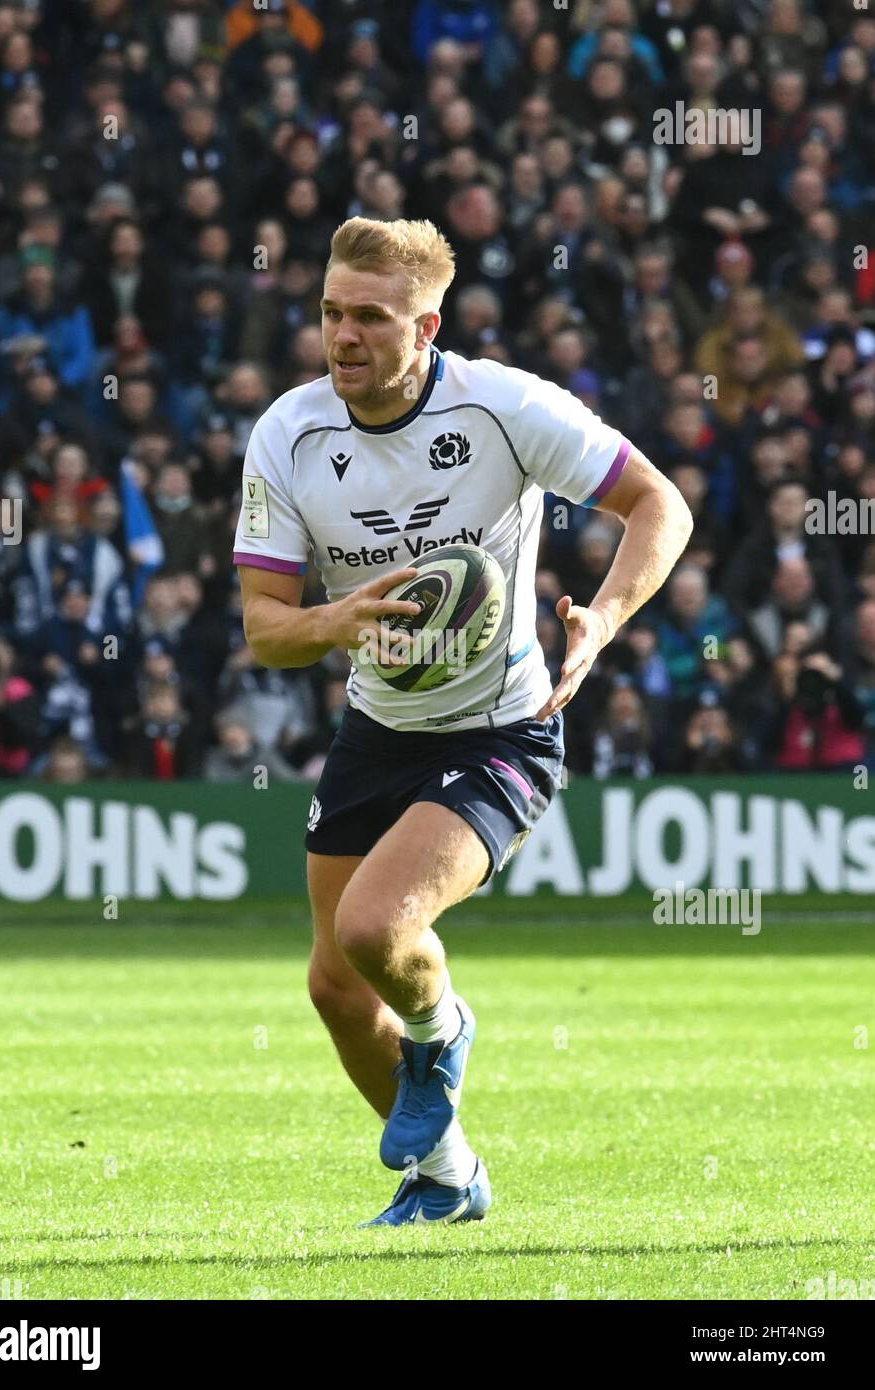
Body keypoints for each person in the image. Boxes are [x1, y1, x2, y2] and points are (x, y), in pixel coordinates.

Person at [235, 217, 692, 1226]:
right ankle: (446, 1177)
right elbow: (265, 630)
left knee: (373, 928)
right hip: (375, 727)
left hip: (500, 728)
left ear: (426, 326)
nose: (342, 336)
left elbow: (657, 503)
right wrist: (333, 620)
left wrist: (603, 620)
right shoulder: (288, 433)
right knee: (334, 988)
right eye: (328, 314)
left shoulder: (502, 406)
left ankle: (442, 1026)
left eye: (369, 317)